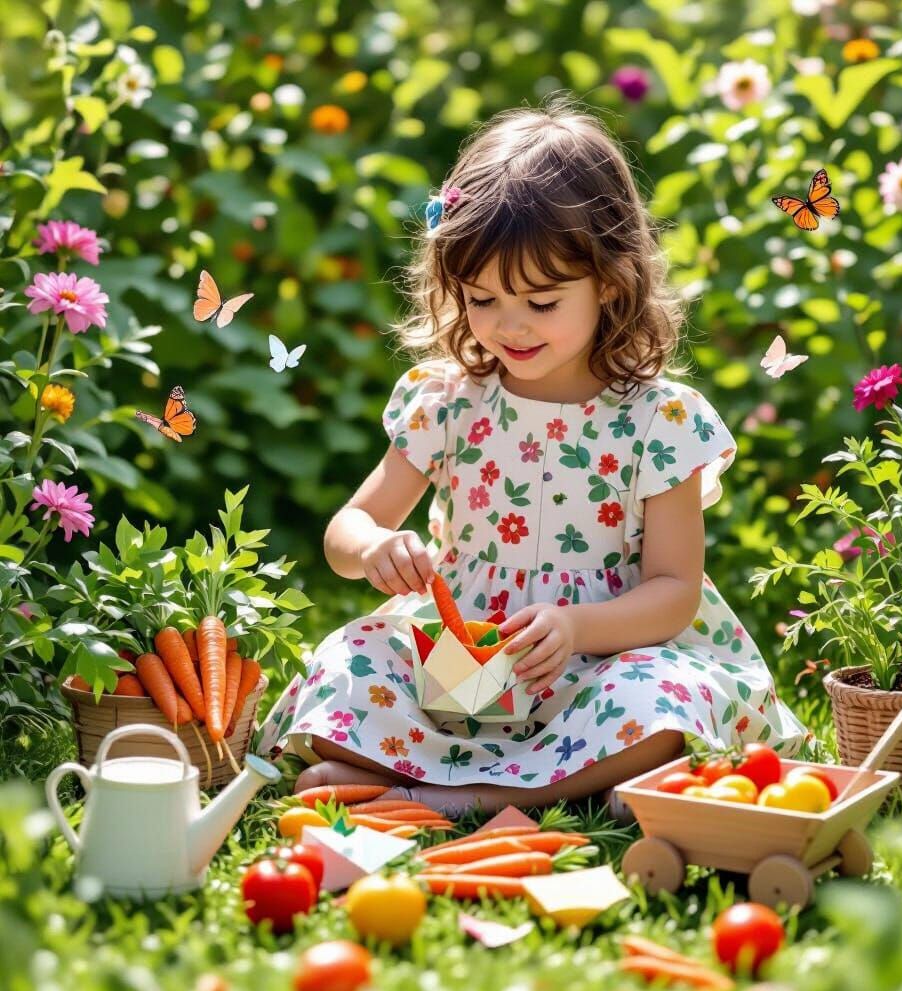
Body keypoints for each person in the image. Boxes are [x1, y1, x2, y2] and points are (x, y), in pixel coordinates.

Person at [254, 97, 809, 816]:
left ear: (610, 280)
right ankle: (543, 786)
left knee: (662, 701)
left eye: (542, 303)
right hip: (461, 667)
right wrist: (374, 549)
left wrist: (578, 627)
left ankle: (459, 796)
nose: (508, 326)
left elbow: (674, 589)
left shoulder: (658, 419)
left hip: (600, 663)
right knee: (346, 665)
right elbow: (347, 529)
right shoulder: (448, 398)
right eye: (482, 299)